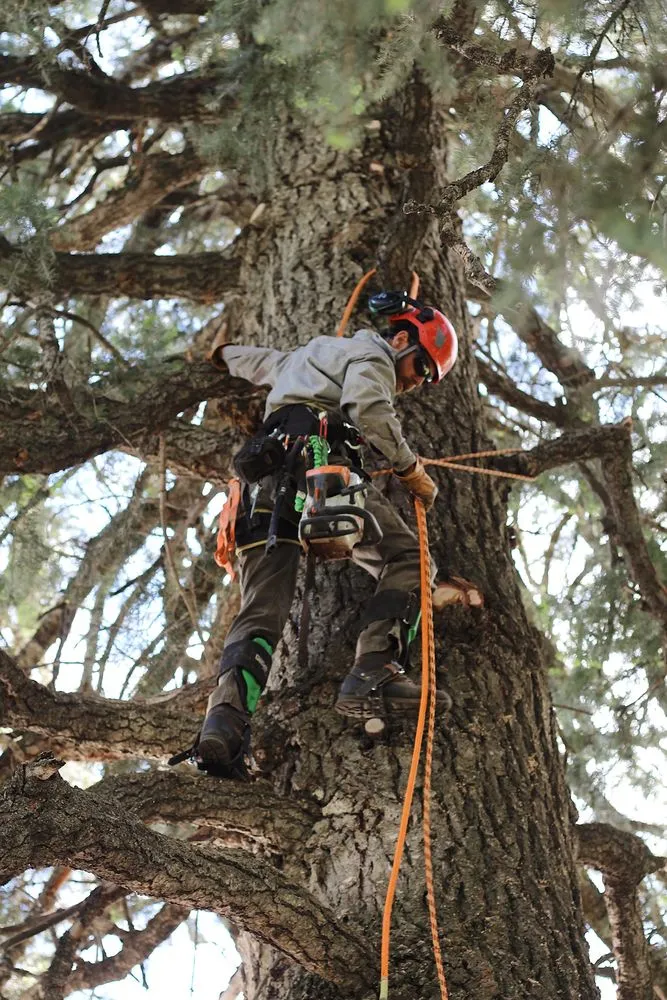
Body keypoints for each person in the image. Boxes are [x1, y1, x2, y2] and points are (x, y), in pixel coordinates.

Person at [193, 294, 479, 778]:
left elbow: (262, 362)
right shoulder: (373, 356)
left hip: (262, 483)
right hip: (318, 468)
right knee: (410, 559)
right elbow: (367, 406)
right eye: (422, 369)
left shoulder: (309, 355)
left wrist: (224, 355)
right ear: (402, 339)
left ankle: (223, 725)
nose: (416, 382)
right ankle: (374, 670)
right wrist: (411, 471)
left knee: (261, 607)